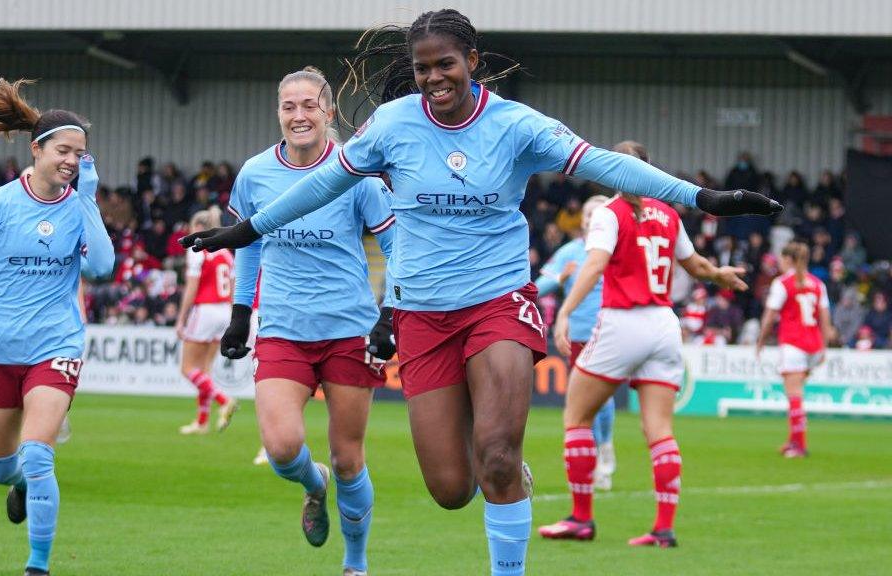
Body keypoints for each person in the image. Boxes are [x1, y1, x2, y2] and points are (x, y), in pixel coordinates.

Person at [182, 11, 779, 575]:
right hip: (422, 315)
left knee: (494, 456)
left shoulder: (516, 125)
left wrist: (704, 198)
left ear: (470, 60)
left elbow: (605, 164)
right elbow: (324, 184)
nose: (435, 78)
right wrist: (248, 228)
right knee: (449, 489)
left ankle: (505, 517)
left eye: (446, 64)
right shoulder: (392, 125)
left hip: (498, 302)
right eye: (423, 68)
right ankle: (499, 463)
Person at [0, 78, 114, 576]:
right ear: (36, 150)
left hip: (56, 344)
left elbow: (101, 267)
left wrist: (89, 201)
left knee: (38, 456)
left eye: (80, 153)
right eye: (64, 150)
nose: (72, 161)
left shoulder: (78, 208)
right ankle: (17, 483)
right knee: (1, 469)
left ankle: (37, 565)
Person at [218, 66, 394, 576]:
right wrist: (239, 314)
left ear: (329, 113)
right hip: (283, 332)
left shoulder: (354, 171)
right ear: (278, 113)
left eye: (310, 105)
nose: (299, 115)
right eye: (289, 106)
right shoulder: (255, 174)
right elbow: (246, 246)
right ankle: (313, 486)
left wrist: (389, 313)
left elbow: (395, 245)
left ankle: (355, 563)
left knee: (348, 458)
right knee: (281, 448)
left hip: (348, 331)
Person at [541, 141, 748, 548]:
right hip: (663, 324)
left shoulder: (609, 213)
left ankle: (581, 519)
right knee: (660, 429)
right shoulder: (668, 213)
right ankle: (663, 528)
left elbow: (596, 263)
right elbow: (696, 266)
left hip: (623, 319)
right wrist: (720, 276)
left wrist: (565, 311)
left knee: (577, 416)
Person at [535, 195, 618, 490]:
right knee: (585, 400)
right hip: (577, 334)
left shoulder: (615, 251)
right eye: (586, 213)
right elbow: (537, 288)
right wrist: (560, 277)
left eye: (596, 213)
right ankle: (596, 458)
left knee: (601, 399)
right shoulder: (568, 252)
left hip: (608, 331)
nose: (589, 218)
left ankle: (603, 447)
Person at [756, 241, 835, 457]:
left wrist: (760, 341)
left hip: (793, 343)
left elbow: (770, 315)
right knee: (797, 390)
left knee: (794, 395)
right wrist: (824, 348)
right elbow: (825, 318)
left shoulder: (783, 283)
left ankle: (799, 445)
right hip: (813, 345)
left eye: (782, 259)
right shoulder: (818, 284)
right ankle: (793, 440)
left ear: (788, 260)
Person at [175, 207, 239, 434]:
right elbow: (232, 287)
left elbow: (192, 288)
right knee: (205, 369)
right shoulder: (224, 252)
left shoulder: (197, 250)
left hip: (205, 309)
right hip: (223, 311)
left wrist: (181, 319)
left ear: (199, 228)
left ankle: (224, 400)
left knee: (188, 368)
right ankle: (202, 422)